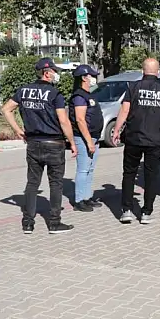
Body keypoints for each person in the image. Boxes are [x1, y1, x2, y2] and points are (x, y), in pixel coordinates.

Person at [1, 57, 77, 234]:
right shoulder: (54, 94)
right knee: (56, 183)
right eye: (54, 71)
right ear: (47, 73)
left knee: (32, 183)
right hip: (54, 143)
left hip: (33, 143)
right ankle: (54, 222)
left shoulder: (23, 90)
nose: (56, 74)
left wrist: (18, 130)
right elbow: (63, 120)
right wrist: (72, 142)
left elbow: (5, 109)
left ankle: (28, 223)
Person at [112, 58, 160, 224]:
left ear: (142, 71)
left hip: (133, 138)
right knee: (151, 176)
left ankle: (126, 210)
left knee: (129, 174)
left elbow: (124, 110)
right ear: (158, 72)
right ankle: (146, 212)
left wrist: (117, 130)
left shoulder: (132, 87)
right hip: (155, 140)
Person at [69, 64, 104, 212]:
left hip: (93, 137)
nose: (93, 78)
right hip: (84, 138)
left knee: (90, 169)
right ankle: (79, 201)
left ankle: (87, 197)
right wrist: (89, 141)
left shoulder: (88, 94)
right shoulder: (79, 96)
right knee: (83, 170)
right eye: (91, 75)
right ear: (84, 78)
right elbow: (80, 120)